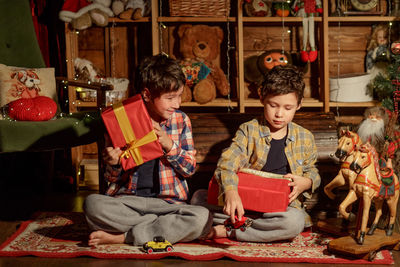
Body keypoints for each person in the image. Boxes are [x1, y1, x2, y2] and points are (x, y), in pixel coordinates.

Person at [83, 54, 212, 246]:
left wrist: (170, 145)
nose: (177, 104)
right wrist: (113, 163)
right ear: (147, 94)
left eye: (179, 96)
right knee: (92, 205)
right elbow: (111, 179)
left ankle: (124, 237)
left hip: (168, 205)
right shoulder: (121, 119)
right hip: (128, 202)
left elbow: (189, 169)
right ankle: (160, 229)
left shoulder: (180, 120)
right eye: (170, 98)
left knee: (202, 217)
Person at [207, 65, 321, 242]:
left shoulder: (305, 137)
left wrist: (307, 182)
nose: (279, 114)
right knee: (199, 199)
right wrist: (230, 192)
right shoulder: (249, 130)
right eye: (273, 105)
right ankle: (249, 224)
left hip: (280, 209)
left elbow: (312, 170)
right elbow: (227, 162)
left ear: (298, 105)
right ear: (262, 98)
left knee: (295, 222)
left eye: (288, 107)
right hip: (245, 202)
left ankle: (231, 229)